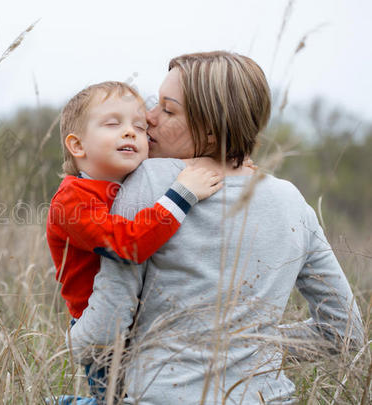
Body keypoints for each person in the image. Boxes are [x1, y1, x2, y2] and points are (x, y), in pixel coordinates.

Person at [68, 51, 364, 404]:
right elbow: (344, 335)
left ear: (210, 129)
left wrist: (70, 344)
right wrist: (250, 344)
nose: (148, 118)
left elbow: (104, 333)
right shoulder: (291, 200)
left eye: (168, 109)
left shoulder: (148, 180)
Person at [46, 81, 224, 402]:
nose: (130, 132)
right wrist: (184, 192)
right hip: (103, 328)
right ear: (77, 145)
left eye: (140, 127)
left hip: (144, 320)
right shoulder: (71, 202)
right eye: (113, 124)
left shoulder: (134, 182)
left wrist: (226, 165)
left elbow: (177, 162)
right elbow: (129, 246)